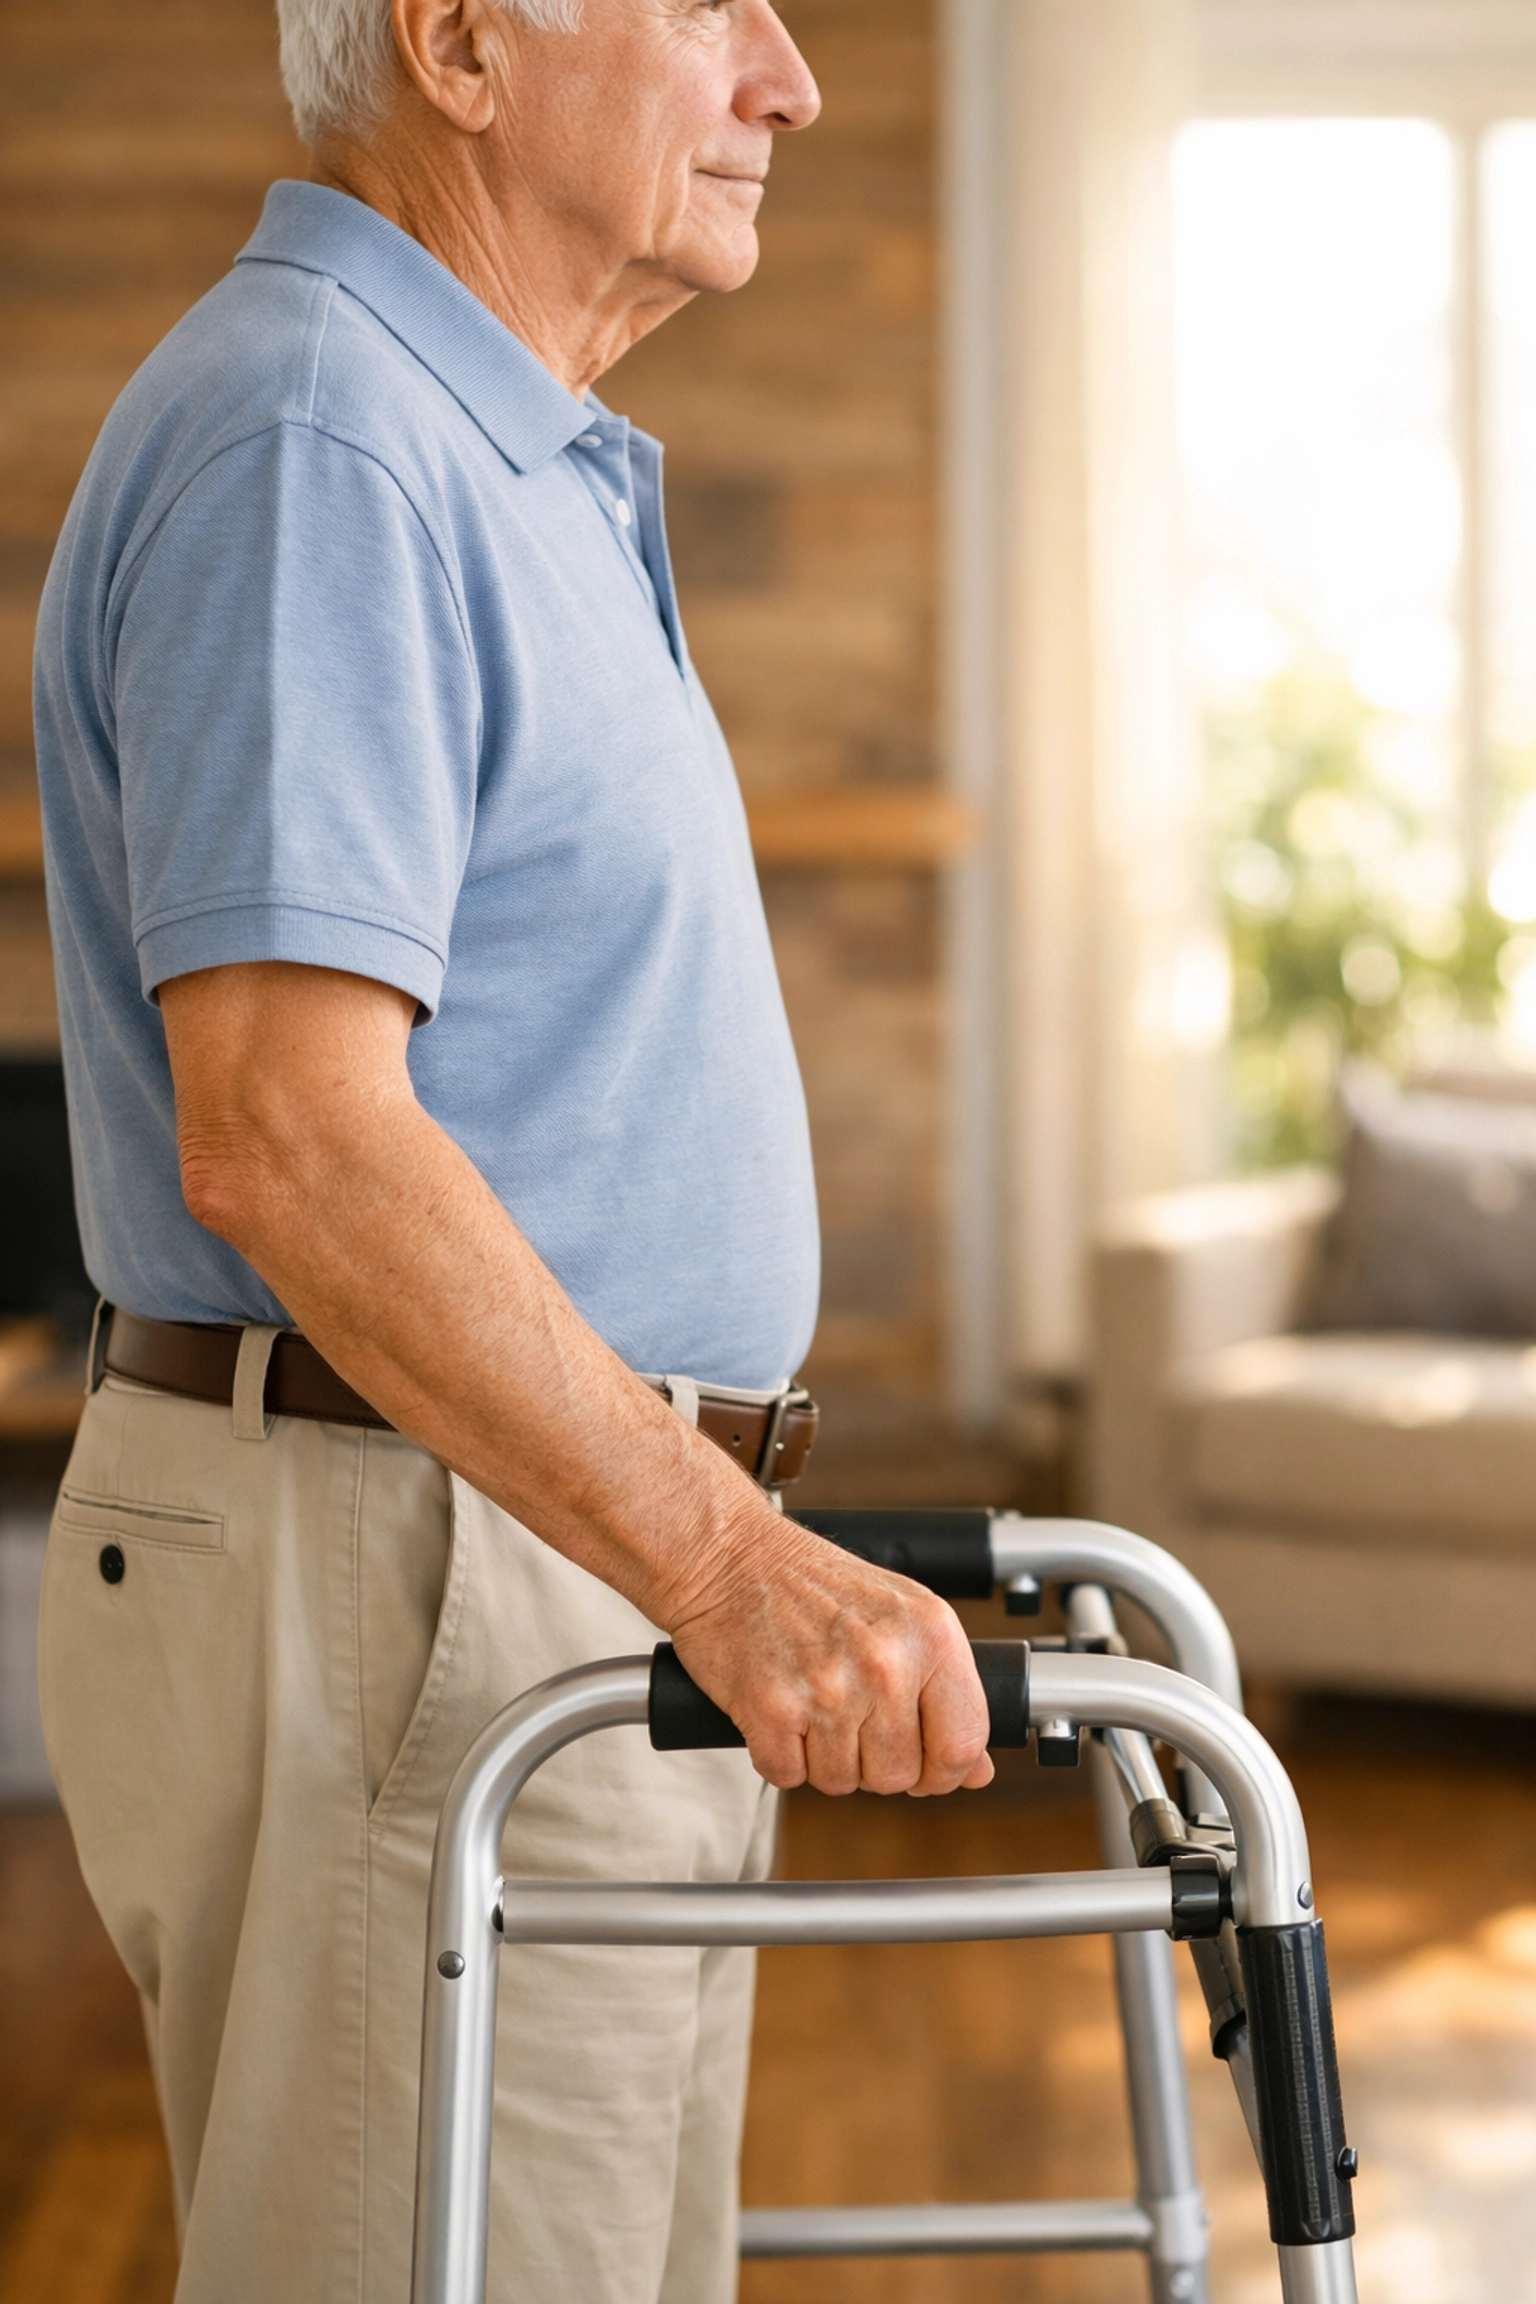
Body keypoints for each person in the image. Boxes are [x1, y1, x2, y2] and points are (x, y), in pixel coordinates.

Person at [31, 2, 992, 2297]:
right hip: (431, 1571)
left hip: (526, 1559)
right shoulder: (321, 439)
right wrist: (738, 1572)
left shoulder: (491, 448)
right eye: (707, 10)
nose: (792, 80)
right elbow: (291, 1140)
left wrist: (701, 1559)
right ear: (461, 42)